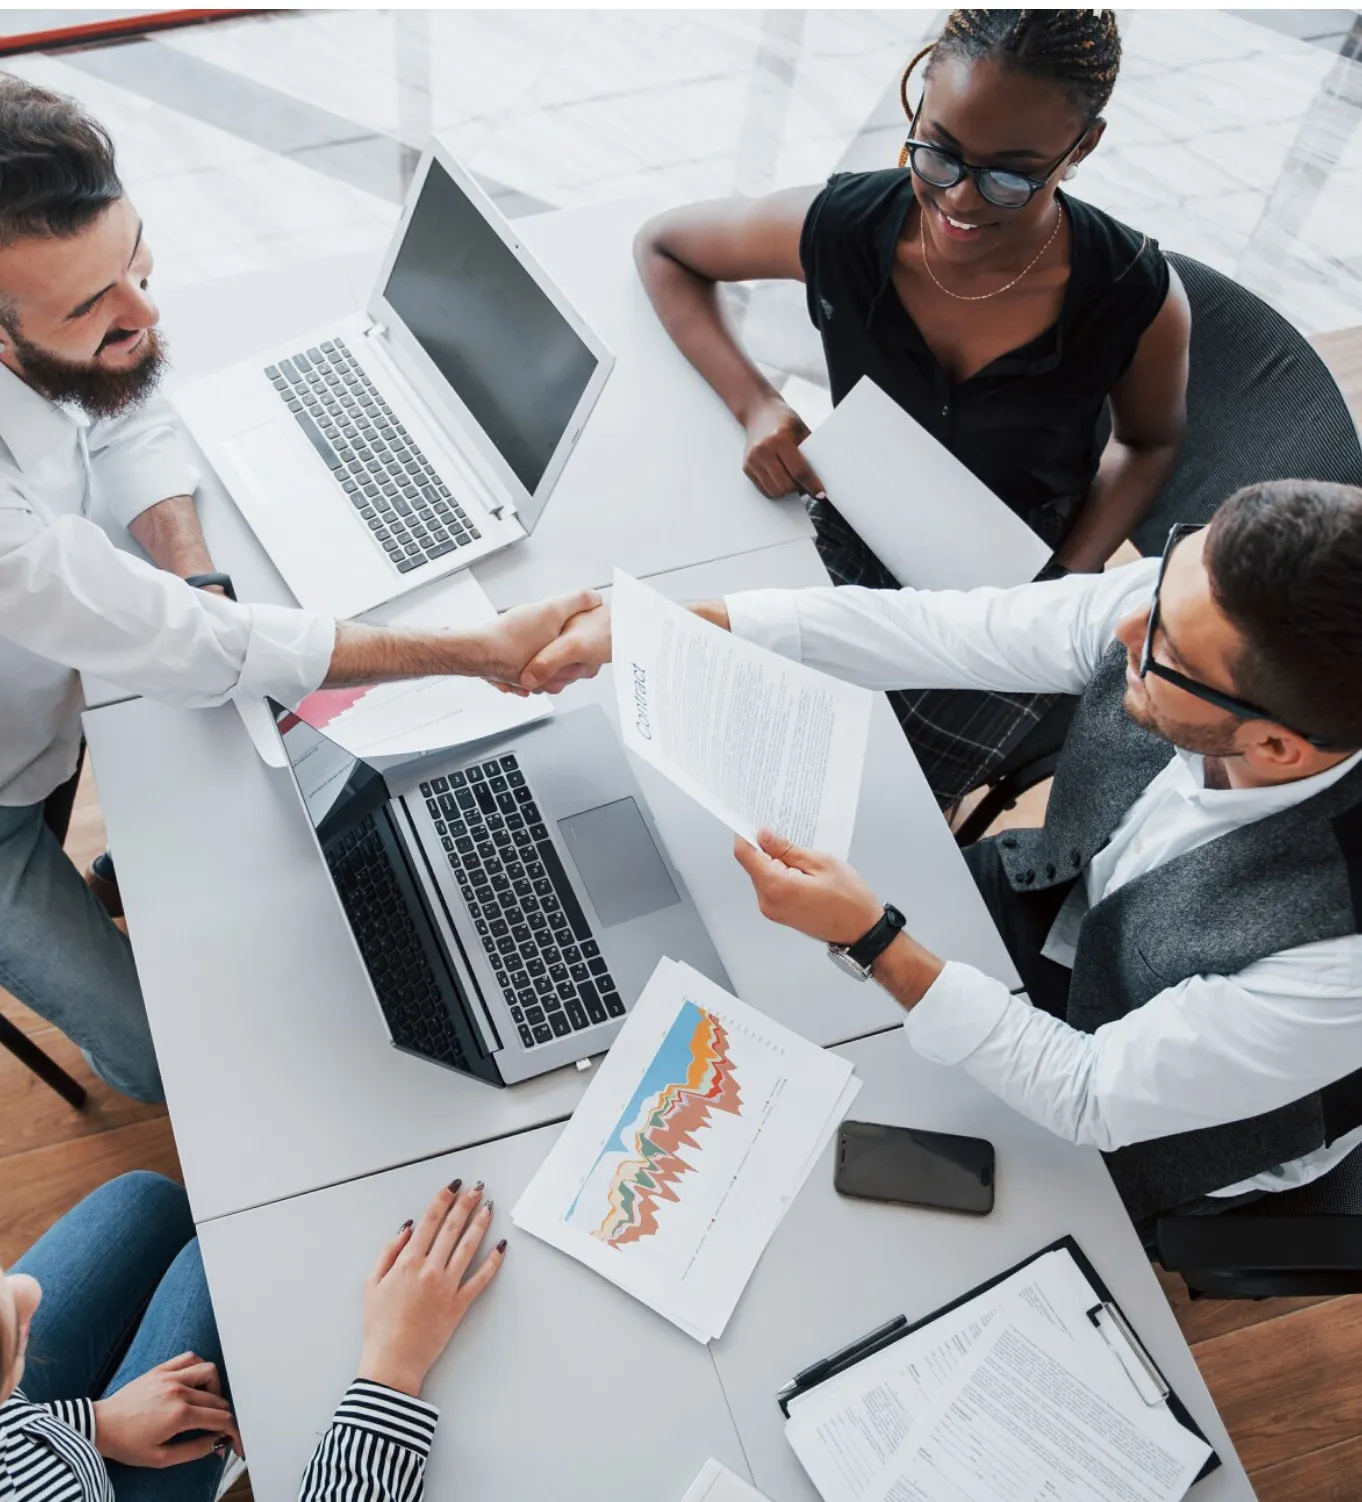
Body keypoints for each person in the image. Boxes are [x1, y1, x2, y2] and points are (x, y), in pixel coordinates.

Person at [509, 479, 1362, 1231]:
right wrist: (675, 629)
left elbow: (1089, 1093)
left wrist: (875, 941)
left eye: (1163, 650)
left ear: (1279, 748)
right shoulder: (1187, 613)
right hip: (1069, 905)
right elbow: (944, 632)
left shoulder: (1341, 960)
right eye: (1160, 588)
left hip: (1161, 1112)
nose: (1126, 622)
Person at [0, 75, 600, 1105]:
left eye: (136, 258)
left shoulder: (65, 306)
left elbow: (125, 405)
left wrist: (197, 570)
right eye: (94, 303)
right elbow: (192, 649)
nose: (141, 306)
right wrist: (473, 649)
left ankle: (120, 870)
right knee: (164, 1065)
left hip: (43, 712)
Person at [634, 9, 1190, 809]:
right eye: (939, 153)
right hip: (855, 510)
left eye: (1011, 174)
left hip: (1014, 575)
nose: (961, 200)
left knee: (861, 804)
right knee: (711, 729)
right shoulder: (846, 228)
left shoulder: (1135, 295)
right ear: (920, 103)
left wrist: (1065, 578)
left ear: (1081, 149)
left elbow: (1150, 442)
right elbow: (664, 247)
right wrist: (756, 406)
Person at [0, 1172, 502, 1500]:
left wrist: (91, 1425)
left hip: (28, 1443)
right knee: (217, 1271)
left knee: (146, 1203)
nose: (26, 1294)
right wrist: (392, 1370)